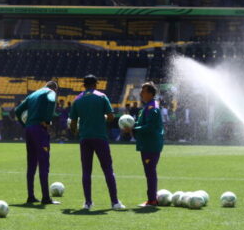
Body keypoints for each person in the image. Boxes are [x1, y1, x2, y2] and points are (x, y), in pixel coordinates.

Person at [69, 75, 126, 211]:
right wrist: (104, 118)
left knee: (86, 171)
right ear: (96, 84)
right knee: (108, 170)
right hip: (100, 137)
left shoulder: (77, 99)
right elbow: (111, 116)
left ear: (84, 85)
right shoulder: (101, 97)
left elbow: (72, 122)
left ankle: (87, 203)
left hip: (85, 138)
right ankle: (115, 202)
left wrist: (75, 132)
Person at [15, 81, 60, 205]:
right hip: (40, 130)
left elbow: (18, 111)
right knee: (44, 163)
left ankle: (31, 196)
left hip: (29, 130)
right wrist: (47, 120)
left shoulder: (33, 95)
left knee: (31, 164)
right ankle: (46, 198)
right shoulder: (50, 92)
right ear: (54, 89)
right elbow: (51, 101)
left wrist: (25, 124)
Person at [129, 81, 164, 207]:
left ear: (150, 93)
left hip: (151, 144)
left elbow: (150, 126)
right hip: (148, 144)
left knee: (150, 171)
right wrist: (133, 127)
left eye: (143, 91)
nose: (140, 93)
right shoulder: (148, 106)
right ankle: (152, 198)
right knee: (149, 171)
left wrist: (133, 130)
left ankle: (152, 200)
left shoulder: (152, 107)